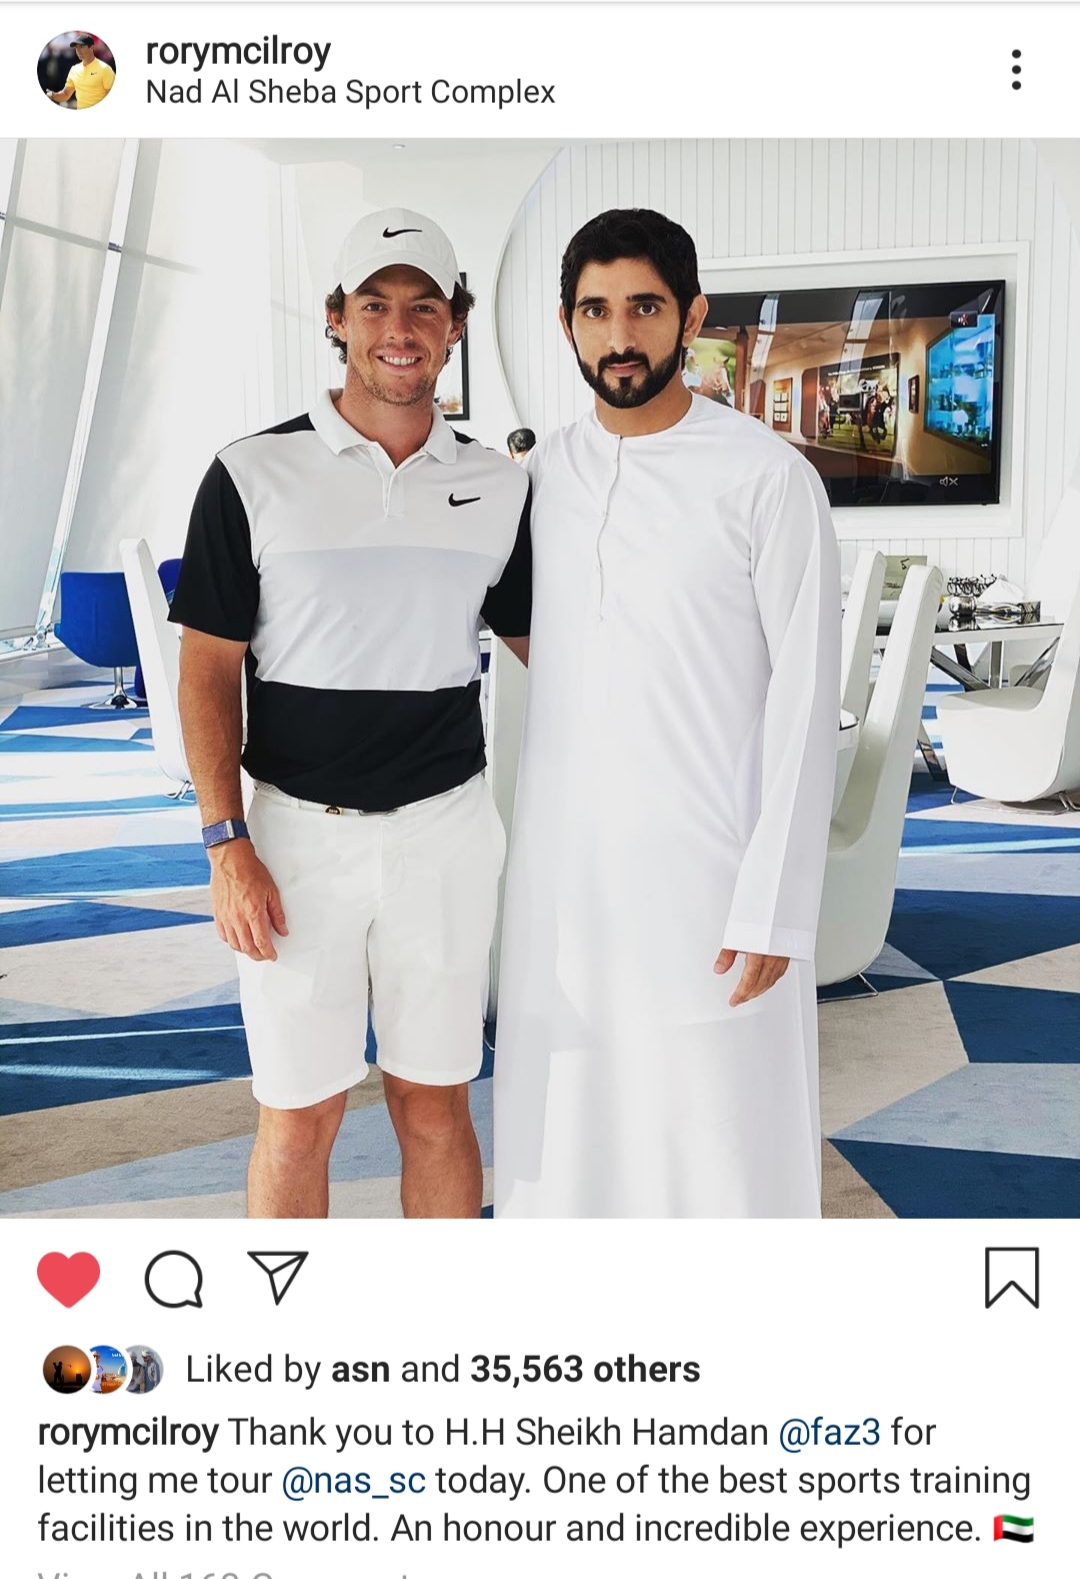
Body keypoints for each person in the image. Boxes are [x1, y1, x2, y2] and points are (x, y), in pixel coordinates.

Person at [170, 208, 531, 1220]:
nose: (399, 329)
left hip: (445, 836)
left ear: (455, 324)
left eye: (423, 306)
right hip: (294, 843)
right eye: (375, 305)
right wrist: (226, 843)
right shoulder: (250, 473)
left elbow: (559, 649)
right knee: (298, 1113)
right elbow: (205, 674)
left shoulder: (499, 486)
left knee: (435, 1103)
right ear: (336, 318)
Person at [494, 208, 840, 1218]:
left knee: (718, 1138)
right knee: (572, 1133)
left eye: (644, 308)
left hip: (711, 877)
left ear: (692, 317)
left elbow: (807, 698)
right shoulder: (539, 480)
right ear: (567, 323)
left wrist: (776, 901)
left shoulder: (768, 477)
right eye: (595, 310)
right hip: (566, 879)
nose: (620, 336)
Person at [45, 35, 115, 110]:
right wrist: (53, 95)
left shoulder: (105, 69)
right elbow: (66, 94)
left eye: (81, 47)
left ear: (91, 48)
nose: (78, 50)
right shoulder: (74, 69)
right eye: (76, 47)